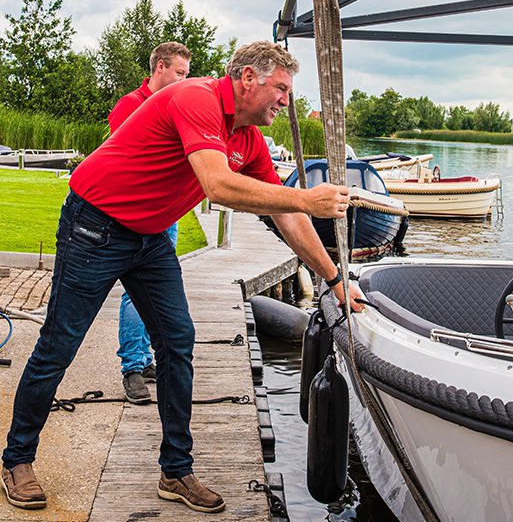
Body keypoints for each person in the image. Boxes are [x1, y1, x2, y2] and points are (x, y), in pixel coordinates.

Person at [2, 40, 362, 514]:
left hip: (150, 239)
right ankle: (17, 460)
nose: (285, 101)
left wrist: (336, 280)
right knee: (58, 345)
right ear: (248, 78)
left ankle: (175, 470)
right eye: (281, 88)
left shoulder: (248, 140)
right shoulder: (198, 98)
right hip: (95, 226)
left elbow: (288, 220)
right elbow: (218, 186)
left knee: (178, 341)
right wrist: (306, 199)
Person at [109, 42, 192, 405]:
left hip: (167, 216)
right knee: (133, 293)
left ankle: (143, 361)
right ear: (160, 66)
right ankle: (131, 367)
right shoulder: (130, 105)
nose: (183, 80)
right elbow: (123, 161)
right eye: (180, 73)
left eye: (187, 75)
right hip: (134, 215)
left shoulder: (179, 104)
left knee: (155, 293)